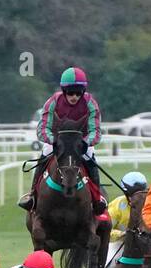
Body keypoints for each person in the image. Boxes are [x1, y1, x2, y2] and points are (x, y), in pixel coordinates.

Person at [19, 66, 103, 216]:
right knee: (44, 156)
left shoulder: (90, 103)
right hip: (58, 142)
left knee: (90, 160)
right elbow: (42, 129)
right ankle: (32, 196)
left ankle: (97, 199)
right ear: (64, 91)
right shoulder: (52, 102)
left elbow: (95, 131)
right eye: (71, 92)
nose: (74, 97)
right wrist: (54, 141)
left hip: (80, 143)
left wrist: (85, 142)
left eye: (78, 93)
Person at [104, 171, 148, 267]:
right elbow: (105, 230)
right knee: (108, 264)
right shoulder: (117, 205)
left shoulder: (150, 205)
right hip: (119, 244)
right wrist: (121, 234)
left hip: (145, 245)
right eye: (133, 194)